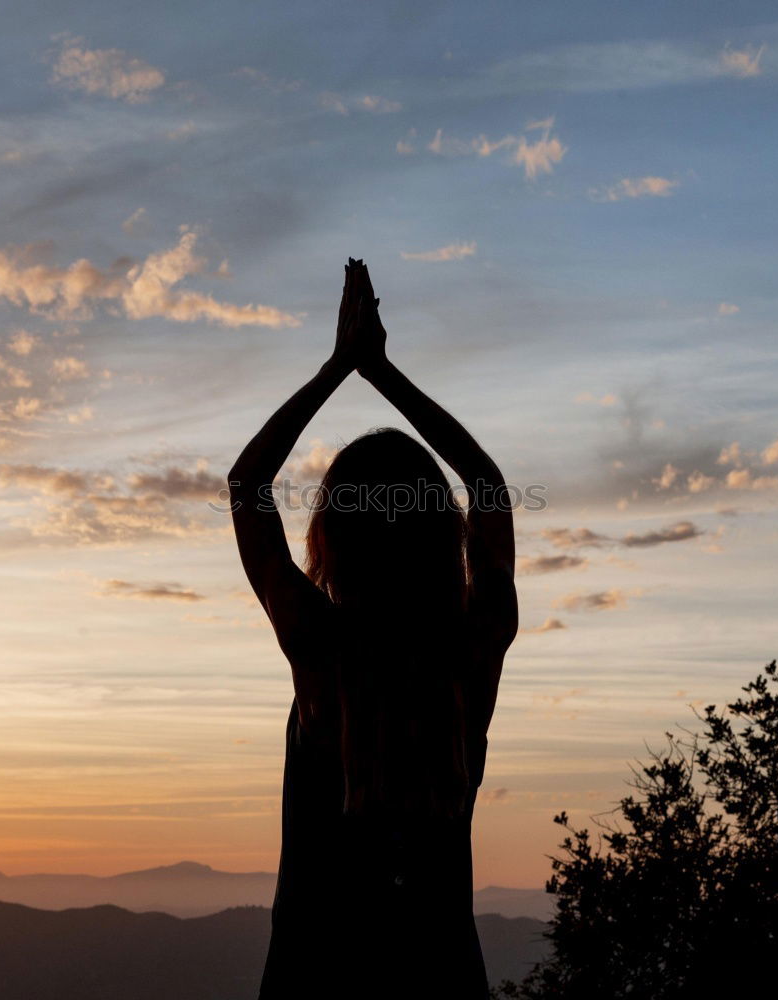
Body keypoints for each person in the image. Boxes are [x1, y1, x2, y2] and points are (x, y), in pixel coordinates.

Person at [228, 258, 518, 999]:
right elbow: (486, 485)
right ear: (441, 535)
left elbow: (247, 485)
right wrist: (382, 373)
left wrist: (341, 367)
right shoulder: (468, 654)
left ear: (332, 537)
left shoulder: (321, 652)